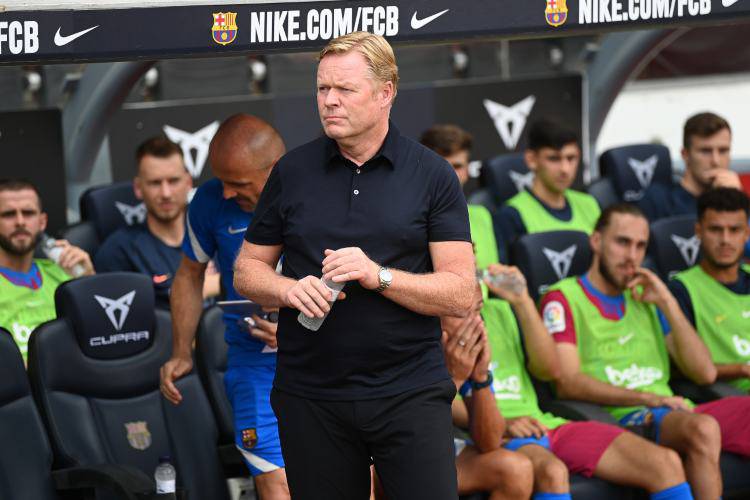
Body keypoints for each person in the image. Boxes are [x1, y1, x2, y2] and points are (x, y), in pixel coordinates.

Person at [234, 32, 475, 500]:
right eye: (322, 88)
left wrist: (378, 276)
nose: (329, 101)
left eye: (344, 89)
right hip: (312, 394)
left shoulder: (432, 174)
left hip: (409, 391)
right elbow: (247, 270)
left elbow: (461, 292)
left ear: (386, 93)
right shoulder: (292, 171)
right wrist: (286, 290)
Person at [540, 203, 750, 499]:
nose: (632, 256)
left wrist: (667, 302)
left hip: (674, 410)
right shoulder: (562, 298)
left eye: (640, 246)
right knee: (703, 428)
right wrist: (648, 398)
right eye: (622, 242)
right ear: (596, 241)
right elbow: (567, 382)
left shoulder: (647, 298)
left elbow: (704, 372)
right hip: (623, 416)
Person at [453, 267, 693, 500]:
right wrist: (503, 423)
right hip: (496, 433)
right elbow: (442, 400)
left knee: (664, 462)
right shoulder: (443, 328)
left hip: (544, 423)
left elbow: (549, 370)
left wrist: (523, 302)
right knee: (553, 472)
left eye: (473, 264)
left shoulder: (501, 311)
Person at [158, 114, 290, 499]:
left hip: (327, 359)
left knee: (351, 480)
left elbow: (353, 277)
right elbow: (189, 275)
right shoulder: (209, 200)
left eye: (239, 184)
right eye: (222, 182)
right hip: (254, 365)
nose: (228, 193)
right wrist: (181, 352)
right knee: (278, 484)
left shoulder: (317, 192)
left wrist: (302, 329)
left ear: (275, 170)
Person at [94, 136, 219, 308]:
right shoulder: (119, 251)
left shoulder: (218, 231)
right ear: (138, 188)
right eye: (155, 183)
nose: (166, 193)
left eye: (173, 181)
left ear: (188, 182)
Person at [441, 295, 534, 500]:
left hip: (438, 450)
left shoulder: (461, 353)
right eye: (462, 312)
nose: (476, 323)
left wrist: (481, 378)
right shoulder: (406, 348)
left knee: (516, 469)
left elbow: (490, 442)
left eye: (478, 310)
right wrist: (454, 378)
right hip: (389, 456)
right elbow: (413, 431)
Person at [0, 179, 94, 360]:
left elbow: (99, 336)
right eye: (8, 214)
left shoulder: (66, 272)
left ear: (42, 222)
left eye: (28, 213)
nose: (20, 222)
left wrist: (88, 281)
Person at [670, 187, 750, 392]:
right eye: (715, 229)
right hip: (731, 396)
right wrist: (741, 369)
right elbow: (680, 367)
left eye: (734, 230)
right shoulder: (681, 289)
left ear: (746, 233)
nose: (725, 240)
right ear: (698, 231)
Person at [495, 119, 600, 261]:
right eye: (554, 159)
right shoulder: (511, 215)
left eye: (571, 158)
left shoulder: (590, 204)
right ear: (531, 160)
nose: (565, 169)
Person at [421, 124, 502, 269]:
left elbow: (489, 274)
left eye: (457, 166)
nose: (450, 175)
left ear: (467, 170)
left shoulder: (482, 215)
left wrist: (504, 277)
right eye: (442, 166)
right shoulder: (410, 220)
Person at [639, 112, 741, 222]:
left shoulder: (737, 198)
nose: (716, 161)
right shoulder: (658, 200)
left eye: (723, 151)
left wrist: (735, 199)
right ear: (685, 155)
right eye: (705, 151)